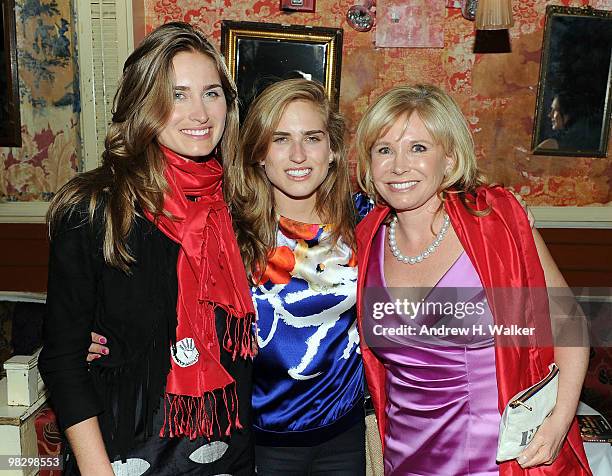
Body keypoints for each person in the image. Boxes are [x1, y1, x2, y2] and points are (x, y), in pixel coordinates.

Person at [38, 22, 256, 475]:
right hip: (124, 453)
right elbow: (62, 360)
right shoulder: (95, 208)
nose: (199, 113)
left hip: (225, 454)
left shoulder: (239, 206)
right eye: (177, 94)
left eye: (211, 93)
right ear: (143, 104)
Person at [354, 84, 592, 475]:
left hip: (494, 460)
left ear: (448, 159)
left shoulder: (495, 225)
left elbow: (570, 324)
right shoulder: (366, 240)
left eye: (418, 148)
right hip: (404, 458)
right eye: (384, 149)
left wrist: (558, 423)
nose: (398, 165)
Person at [228, 78, 366, 475]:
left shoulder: (366, 219)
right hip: (259, 440)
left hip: (346, 432)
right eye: (281, 139)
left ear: (333, 149)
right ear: (258, 153)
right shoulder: (231, 233)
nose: (299, 155)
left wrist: (503, 215)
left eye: (312, 137)